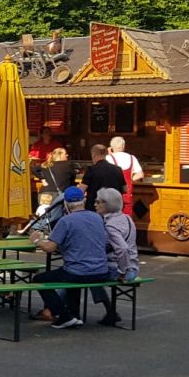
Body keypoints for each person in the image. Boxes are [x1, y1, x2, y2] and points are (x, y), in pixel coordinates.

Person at [29, 187, 112, 329]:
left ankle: (63, 315)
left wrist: (36, 240)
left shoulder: (66, 221)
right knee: (71, 275)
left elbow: (50, 248)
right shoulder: (97, 217)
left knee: (39, 279)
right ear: (84, 201)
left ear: (65, 204)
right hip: (101, 271)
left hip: (78, 271)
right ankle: (74, 315)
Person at [90, 186, 138, 327]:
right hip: (133, 267)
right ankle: (110, 311)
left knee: (85, 273)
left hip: (120, 269)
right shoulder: (127, 218)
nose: (95, 204)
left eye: (98, 202)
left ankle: (110, 311)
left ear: (107, 204)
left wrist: (122, 272)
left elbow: (122, 248)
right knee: (89, 273)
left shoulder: (110, 225)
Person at [106, 136, 144, 216]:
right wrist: (130, 178)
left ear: (112, 147)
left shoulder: (109, 158)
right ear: (123, 146)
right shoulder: (132, 158)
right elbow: (140, 175)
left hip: (113, 194)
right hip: (127, 194)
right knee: (127, 218)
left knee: (112, 219)